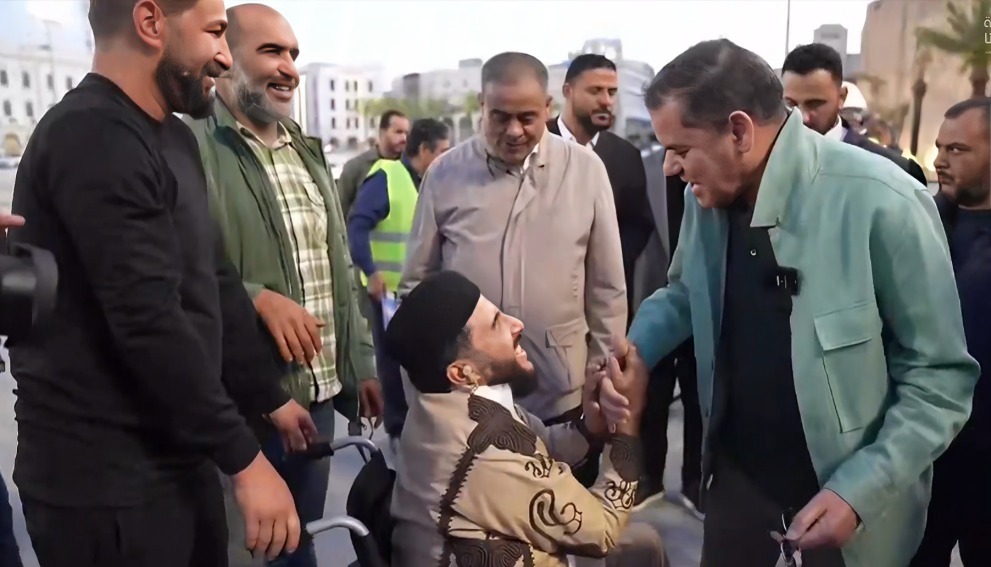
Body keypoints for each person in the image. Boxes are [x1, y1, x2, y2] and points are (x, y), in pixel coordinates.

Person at [630, 39, 978, 567]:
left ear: (739, 131)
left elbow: (940, 379)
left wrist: (859, 492)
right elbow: (684, 291)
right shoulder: (704, 197)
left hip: (850, 516)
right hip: (736, 495)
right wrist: (635, 352)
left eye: (681, 149)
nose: (670, 168)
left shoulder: (883, 199)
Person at [7, 1, 313, 565]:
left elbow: (212, 281)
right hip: (106, 488)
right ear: (150, 23)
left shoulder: (172, 138)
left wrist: (267, 396)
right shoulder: (91, 135)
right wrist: (245, 461)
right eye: (214, 32)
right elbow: (147, 321)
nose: (224, 57)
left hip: (176, 463)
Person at [182, 5, 383, 566]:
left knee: (301, 546)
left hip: (315, 403)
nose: (289, 68)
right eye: (271, 52)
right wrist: (256, 299)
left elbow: (338, 266)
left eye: (294, 54)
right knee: (246, 553)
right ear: (226, 59)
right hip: (244, 406)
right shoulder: (191, 146)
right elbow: (178, 269)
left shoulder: (304, 149)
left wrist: (361, 365)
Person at [398, 53, 628, 462]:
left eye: (527, 118)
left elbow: (607, 290)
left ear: (548, 108)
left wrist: (601, 378)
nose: (514, 131)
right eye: (500, 117)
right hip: (470, 401)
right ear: (481, 108)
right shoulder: (445, 174)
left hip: (563, 394)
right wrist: (426, 390)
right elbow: (417, 288)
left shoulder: (585, 171)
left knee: (561, 496)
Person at [385, 270, 667, 567]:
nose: (516, 324)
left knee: (645, 544)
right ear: (461, 372)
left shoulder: (439, 400)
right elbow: (603, 532)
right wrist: (626, 422)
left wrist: (589, 428)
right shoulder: (488, 446)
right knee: (642, 545)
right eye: (496, 323)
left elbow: (540, 444)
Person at [912, 97, 991, 567]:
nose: (940, 159)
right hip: (925, 451)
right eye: (940, 147)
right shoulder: (918, 220)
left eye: (957, 149)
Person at [347, 117, 450, 444]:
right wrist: (371, 271)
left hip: (417, 294)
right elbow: (356, 226)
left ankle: (419, 428)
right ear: (424, 150)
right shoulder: (386, 178)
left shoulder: (427, 181)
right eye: (443, 151)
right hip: (388, 295)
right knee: (392, 365)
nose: (447, 158)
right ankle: (397, 432)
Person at [545, 54, 653, 322]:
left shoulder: (626, 156)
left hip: (604, 311)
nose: (606, 101)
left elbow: (638, 225)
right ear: (568, 91)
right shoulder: (537, 144)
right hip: (544, 301)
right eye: (595, 91)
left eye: (611, 92)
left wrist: (603, 264)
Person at [781, 43, 928, 186]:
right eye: (791, 104)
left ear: (842, 97)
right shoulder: (772, 161)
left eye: (815, 104)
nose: (803, 117)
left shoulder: (895, 172)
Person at [338, 110, 410, 217]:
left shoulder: (410, 168)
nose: (404, 138)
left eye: (406, 133)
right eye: (398, 132)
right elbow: (339, 211)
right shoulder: (356, 167)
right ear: (382, 132)